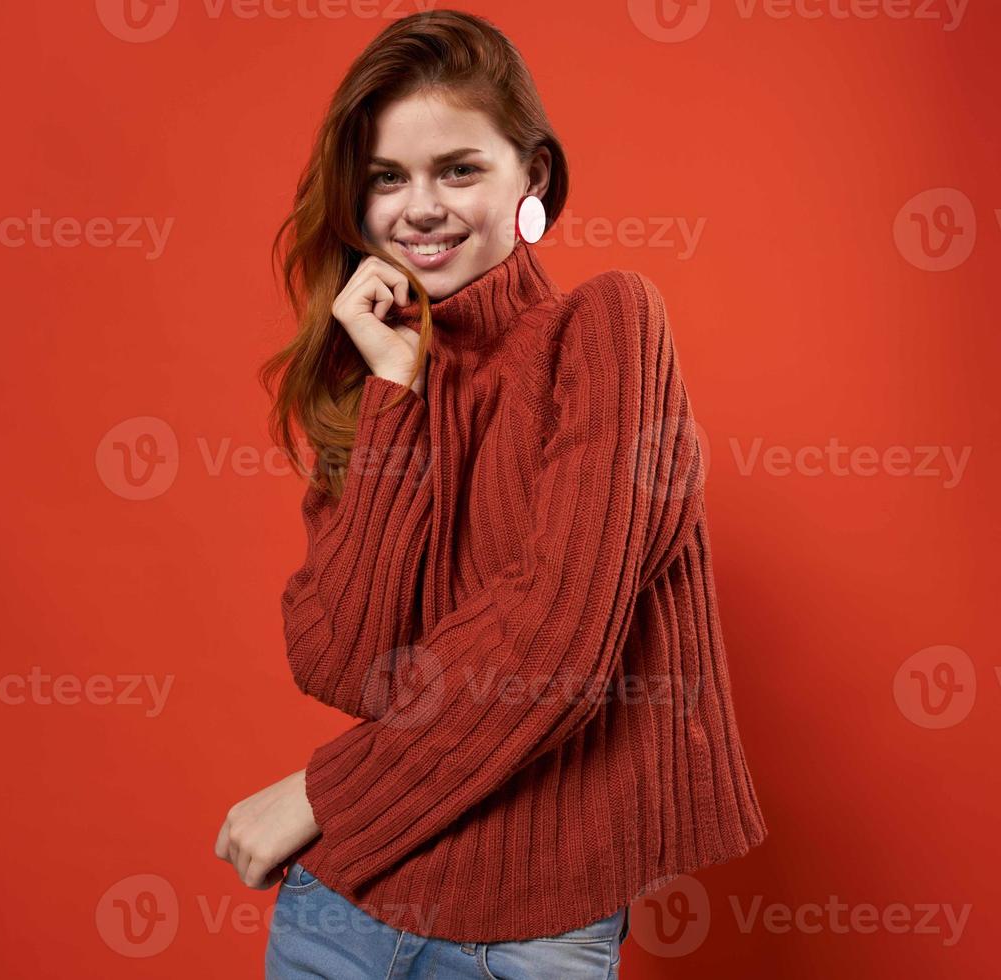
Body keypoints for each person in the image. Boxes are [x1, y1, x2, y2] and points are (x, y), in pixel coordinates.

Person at [214, 10, 769, 977]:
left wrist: (320, 796)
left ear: (533, 178)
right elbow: (345, 663)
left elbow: (558, 638)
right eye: (389, 178)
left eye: (458, 169)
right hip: (336, 917)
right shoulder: (377, 385)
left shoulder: (606, 330)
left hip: (530, 940)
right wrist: (396, 391)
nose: (419, 209)